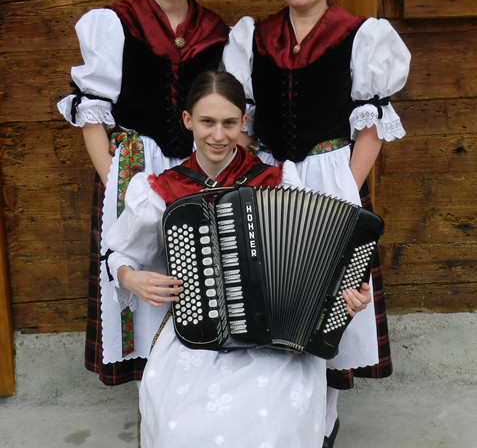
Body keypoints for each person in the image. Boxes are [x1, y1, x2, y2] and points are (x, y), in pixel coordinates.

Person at [221, 0, 411, 447]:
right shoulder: (254, 37)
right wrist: (255, 168)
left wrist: (345, 187)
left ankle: (321, 424)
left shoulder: (360, 35)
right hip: (271, 177)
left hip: (332, 173)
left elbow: (371, 126)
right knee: (276, 297)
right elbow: (242, 118)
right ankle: (280, 418)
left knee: (326, 303)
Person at [103, 70, 372, 448]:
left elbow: (320, 266)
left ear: (243, 122)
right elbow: (118, 253)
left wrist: (347, 298)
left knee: (269, 427)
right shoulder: (162, 189)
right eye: (207, 122)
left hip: (277, 343)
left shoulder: (276, 181)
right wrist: (132, 278)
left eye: (229, 123)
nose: (217, 135)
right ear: (188, 121)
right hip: (195, 334)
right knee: (180, 430)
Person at [57, 0, 229, 385]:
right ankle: (151, 399)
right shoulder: (116, 22)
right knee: (139, 272)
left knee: (194, 278)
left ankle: (192, 388)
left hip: (195, 169)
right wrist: (118, 182)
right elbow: (94, 115)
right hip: (134, 167)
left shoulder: (219, 31)